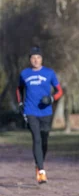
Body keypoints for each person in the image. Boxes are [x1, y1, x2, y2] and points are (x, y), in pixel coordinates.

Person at [16, 46, 63, 184]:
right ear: (30, 60)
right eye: (33, 58)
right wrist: (20, 104)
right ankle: (41, 171)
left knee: (44, 140)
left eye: (38, 57)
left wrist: (52, 99)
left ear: (42, 59)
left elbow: (59, 91)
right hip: (30, 111)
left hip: (46, 112)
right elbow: (19, 89)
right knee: (36, 138)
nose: (35, 60)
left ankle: (39, 163)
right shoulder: (24, 74)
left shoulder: (49, 73)